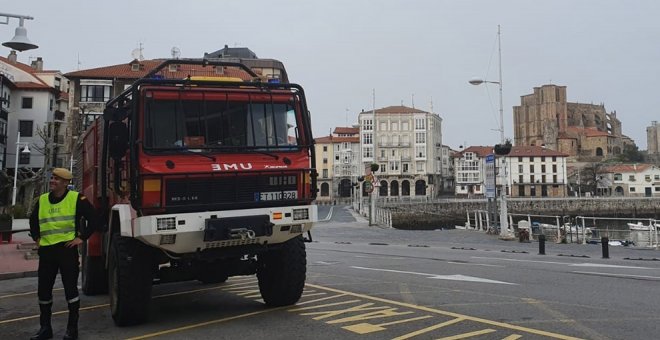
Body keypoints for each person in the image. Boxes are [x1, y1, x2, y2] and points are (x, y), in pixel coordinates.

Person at [29, 168, 98, 340]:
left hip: (66, 251)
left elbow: (95, 219)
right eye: (52, 178)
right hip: (47, 252)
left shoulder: (76, 199)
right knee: (43, 292)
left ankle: (72, 330)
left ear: (66, 183)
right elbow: (33, 220)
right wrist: (37, 239)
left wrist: (82, 238)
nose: (53, 181)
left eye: (57, 179)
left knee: (71, 291)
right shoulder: (43, 200)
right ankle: (45, 328)